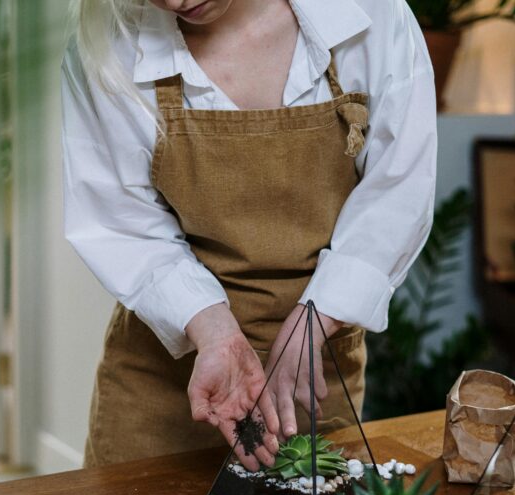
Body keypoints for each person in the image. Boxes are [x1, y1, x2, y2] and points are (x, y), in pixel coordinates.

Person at [62, 0, 436, 470]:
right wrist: (213, 329)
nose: (175, 1)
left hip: (310, 375)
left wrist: (315, 322)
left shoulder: (371, 16)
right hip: (158, 387)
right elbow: (120, 219)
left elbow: (397, 194)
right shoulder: (109, 47)